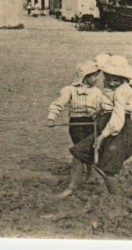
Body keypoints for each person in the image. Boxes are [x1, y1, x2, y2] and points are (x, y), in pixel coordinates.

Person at [66, 55, 132, 196]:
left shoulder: (122, 91)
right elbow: (108, 105)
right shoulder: (111, 87)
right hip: (104, 122)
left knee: (108, 167)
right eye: (108, 79)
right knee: (79, 152)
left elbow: (117, 118)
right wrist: (99, 112)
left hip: (118, 128)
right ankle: (71, 188)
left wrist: (101, 137)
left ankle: (115, 198)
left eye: (115, 80)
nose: (111, 83)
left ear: (123, 78)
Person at [46, 60, 104, 193]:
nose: (97, 78)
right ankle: (76, 177)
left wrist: (100, 112)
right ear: (85, 76)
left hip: (91, 123)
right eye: (94, 76)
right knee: (80, 148)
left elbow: (103, 105)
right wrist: (51, 117)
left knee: (92, 148)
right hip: (77, 124)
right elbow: (58, 104)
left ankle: (90, 175)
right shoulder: (70, 90)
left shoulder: (97, 92)